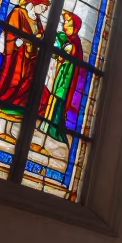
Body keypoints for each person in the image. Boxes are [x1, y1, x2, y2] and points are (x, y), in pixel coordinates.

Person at [0, 0, 50, 143]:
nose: (44, 10)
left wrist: (37, 40)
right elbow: (10, 33)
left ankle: (7, 130)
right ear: (33, 3)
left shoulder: (36, 20)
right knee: (10, 88)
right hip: (16, 59)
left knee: (23, 94)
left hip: (30, 60)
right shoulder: (18, 13)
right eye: (42, 7)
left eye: (45, 8)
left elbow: (40, 36)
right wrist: (21, 42)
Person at [38, 11, 85, 144]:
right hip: (60, 73)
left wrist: (58, 52)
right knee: (53, 97)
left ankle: (52, 128)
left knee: (58, 99)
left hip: (66, 77)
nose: (64, 25)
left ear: (75, 26)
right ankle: (45, 126)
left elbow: (66, 54)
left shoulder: (74, 42)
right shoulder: (67, 40)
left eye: (67, 23)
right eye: (64, 22)